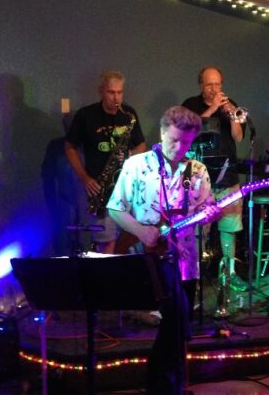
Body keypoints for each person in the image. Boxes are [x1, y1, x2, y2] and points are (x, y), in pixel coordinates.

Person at [107, 105, 221, 395]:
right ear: (161, 133)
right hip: (149, 257)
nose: (180, 148)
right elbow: (115, 208)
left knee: (179, 323)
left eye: (187, 143)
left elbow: (204, 210)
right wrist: (141, 230)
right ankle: (161, 383)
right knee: (174, 318)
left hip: (186, 260)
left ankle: (171, 384)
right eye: (174, 140)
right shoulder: (136, 165)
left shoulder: (198, 170)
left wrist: (211, 214)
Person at [64, 70, 146, 254]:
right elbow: (69, 148)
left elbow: (141, 144)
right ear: (101, 91)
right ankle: (105, 272)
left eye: (120, 92)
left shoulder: (129, 114)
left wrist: (130, 154)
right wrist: (85, 178)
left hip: (126, 186)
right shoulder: (86, 115)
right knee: (106, 241)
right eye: (111, 92)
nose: (116, 98)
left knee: (130, 239)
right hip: (101, 188)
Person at [182, 66, 247, 291]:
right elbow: (187, 132)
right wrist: (212, 108)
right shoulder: (190, 104)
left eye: (218, 84)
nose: (214, 88)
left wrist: (231, 114)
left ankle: (229, 273)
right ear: (201, 85)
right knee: (199, 231)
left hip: (227, 175)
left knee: (229, 227)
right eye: (209, 84)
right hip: (200, 179)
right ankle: (194, 278)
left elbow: (238, 137)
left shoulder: (230, 104)